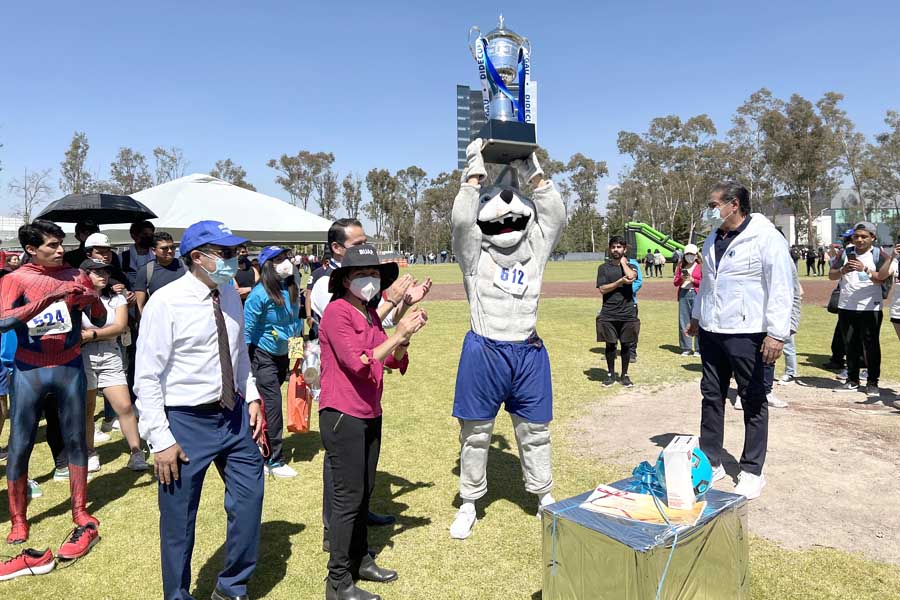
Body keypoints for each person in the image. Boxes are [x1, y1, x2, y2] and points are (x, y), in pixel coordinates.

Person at [135, 220, 265, 600]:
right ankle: (177, 595)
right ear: (197, 258)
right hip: (185, 422)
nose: (233, 259)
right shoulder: (166, 302)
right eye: (224, 253)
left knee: (248, 500)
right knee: (179, 520)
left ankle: (231, 586)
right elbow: (147, 377)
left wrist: (252, 396)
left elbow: (238, 355)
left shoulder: (228, 294)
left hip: (233, 414)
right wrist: (160, 439)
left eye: (234, 251)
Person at [319, 244, 427, 600]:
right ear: (346, 279)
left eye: (375, 275)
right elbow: (358, 361)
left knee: (364, 493)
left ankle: (360, 559)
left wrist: (404, 339)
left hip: (369, 412)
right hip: (342, 416)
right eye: (363, 275)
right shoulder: (338, 313)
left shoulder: (369, 314)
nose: (370, 281)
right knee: (347, 500)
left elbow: (391, 360)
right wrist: (397, 335)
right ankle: (337, 581)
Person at [0, 219, 106, 557]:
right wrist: (51, 299)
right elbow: (4, 320)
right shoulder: (15, 278)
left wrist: (91, 297)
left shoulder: (75, 273)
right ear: (32, 249)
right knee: (20, 442)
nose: (60, 250)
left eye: (61, 243)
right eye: (51, 245)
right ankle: (19, 518)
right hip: (29, 368)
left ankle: (79, 509)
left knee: (76, 438)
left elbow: (100, 317)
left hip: (69, 364)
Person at [685, 181, 793, 501]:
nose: (709, 210)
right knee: (711, 396)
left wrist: (776, 333)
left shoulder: (766, 237)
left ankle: (752, 470)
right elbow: (707, 284)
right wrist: (696, 316)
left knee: (753, 399)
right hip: (712, 332)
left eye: (713, 204)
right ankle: (712, 460)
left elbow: (781, 287)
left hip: (748, 333)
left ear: (734, 205)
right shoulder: (711, 238)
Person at [79, 259, 148, 472]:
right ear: (85, 274)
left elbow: (120, 326)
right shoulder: (77, 299)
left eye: (105, 272)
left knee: (125, 406)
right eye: (96, 272)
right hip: (83, 357)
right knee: (87, 409)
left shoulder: (116, 298)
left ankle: (136, 451)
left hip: (110, 353)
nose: (103, 275)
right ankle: (90, 452)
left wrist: (91, 335)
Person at [244, 245, 303, 478]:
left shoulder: (291, 288)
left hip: (282, 356)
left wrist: (296, 359)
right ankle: (273, 460)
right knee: (273, 405)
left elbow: (295, 324)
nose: (285, 262)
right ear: (267, 265)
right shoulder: (259, 295)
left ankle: (257, 442)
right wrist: (247, 367)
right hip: (262, 356)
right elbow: (246, 333)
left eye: (286, 257)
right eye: (278, 259)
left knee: (267, 406)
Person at [830, 222, 888, 397]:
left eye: (864, 236)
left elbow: (882, 279)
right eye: (856, 236)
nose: (860, 240)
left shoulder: (879, 255)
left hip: (870, 307)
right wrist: (842, 270)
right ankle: (852, 380)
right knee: (850, 344)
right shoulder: (846, 252)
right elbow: (831, 275)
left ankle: (872, 382)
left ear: (873, 238)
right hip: (847, 305)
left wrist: (865, 269)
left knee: (871, 345)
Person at [596, 236, 639, 387]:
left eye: (619, 247)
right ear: (609, 249)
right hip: (609, 312)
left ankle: (625, 375)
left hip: (627, 312)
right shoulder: (603, 268)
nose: (616, 250)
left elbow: (632, 276)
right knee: (610, 344)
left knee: (626, 344)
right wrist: (619, 282)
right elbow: (602, 288)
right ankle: (610, 375)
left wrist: (623, 263)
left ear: (624, 249)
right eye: (613, 247)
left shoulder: (632, 266)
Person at [134, 231, 185, 316]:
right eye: (164, 248)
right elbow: (140, 305)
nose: (170, 251)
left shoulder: (186, 267)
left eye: (172, 247)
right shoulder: (146, 271)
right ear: (154, 251)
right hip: (158, 320)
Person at [674, 243, 701, 356]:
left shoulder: (700, 266)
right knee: (684, 320)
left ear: (696, 255)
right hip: (684, 293)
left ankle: (699, 348)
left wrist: (693, 279)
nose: (689, 256)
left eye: (692, 254)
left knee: (698, 320)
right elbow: (675, 282)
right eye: (687, 254)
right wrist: (681, 278)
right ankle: (686, 347)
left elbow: (704, 282)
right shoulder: (681, 266)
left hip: (696, 293)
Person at [119, 220, 156, 289]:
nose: (148, 237)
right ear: (134, 236)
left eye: (151, 235)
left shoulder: (157, 255)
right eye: (145, 234)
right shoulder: (123, 258)